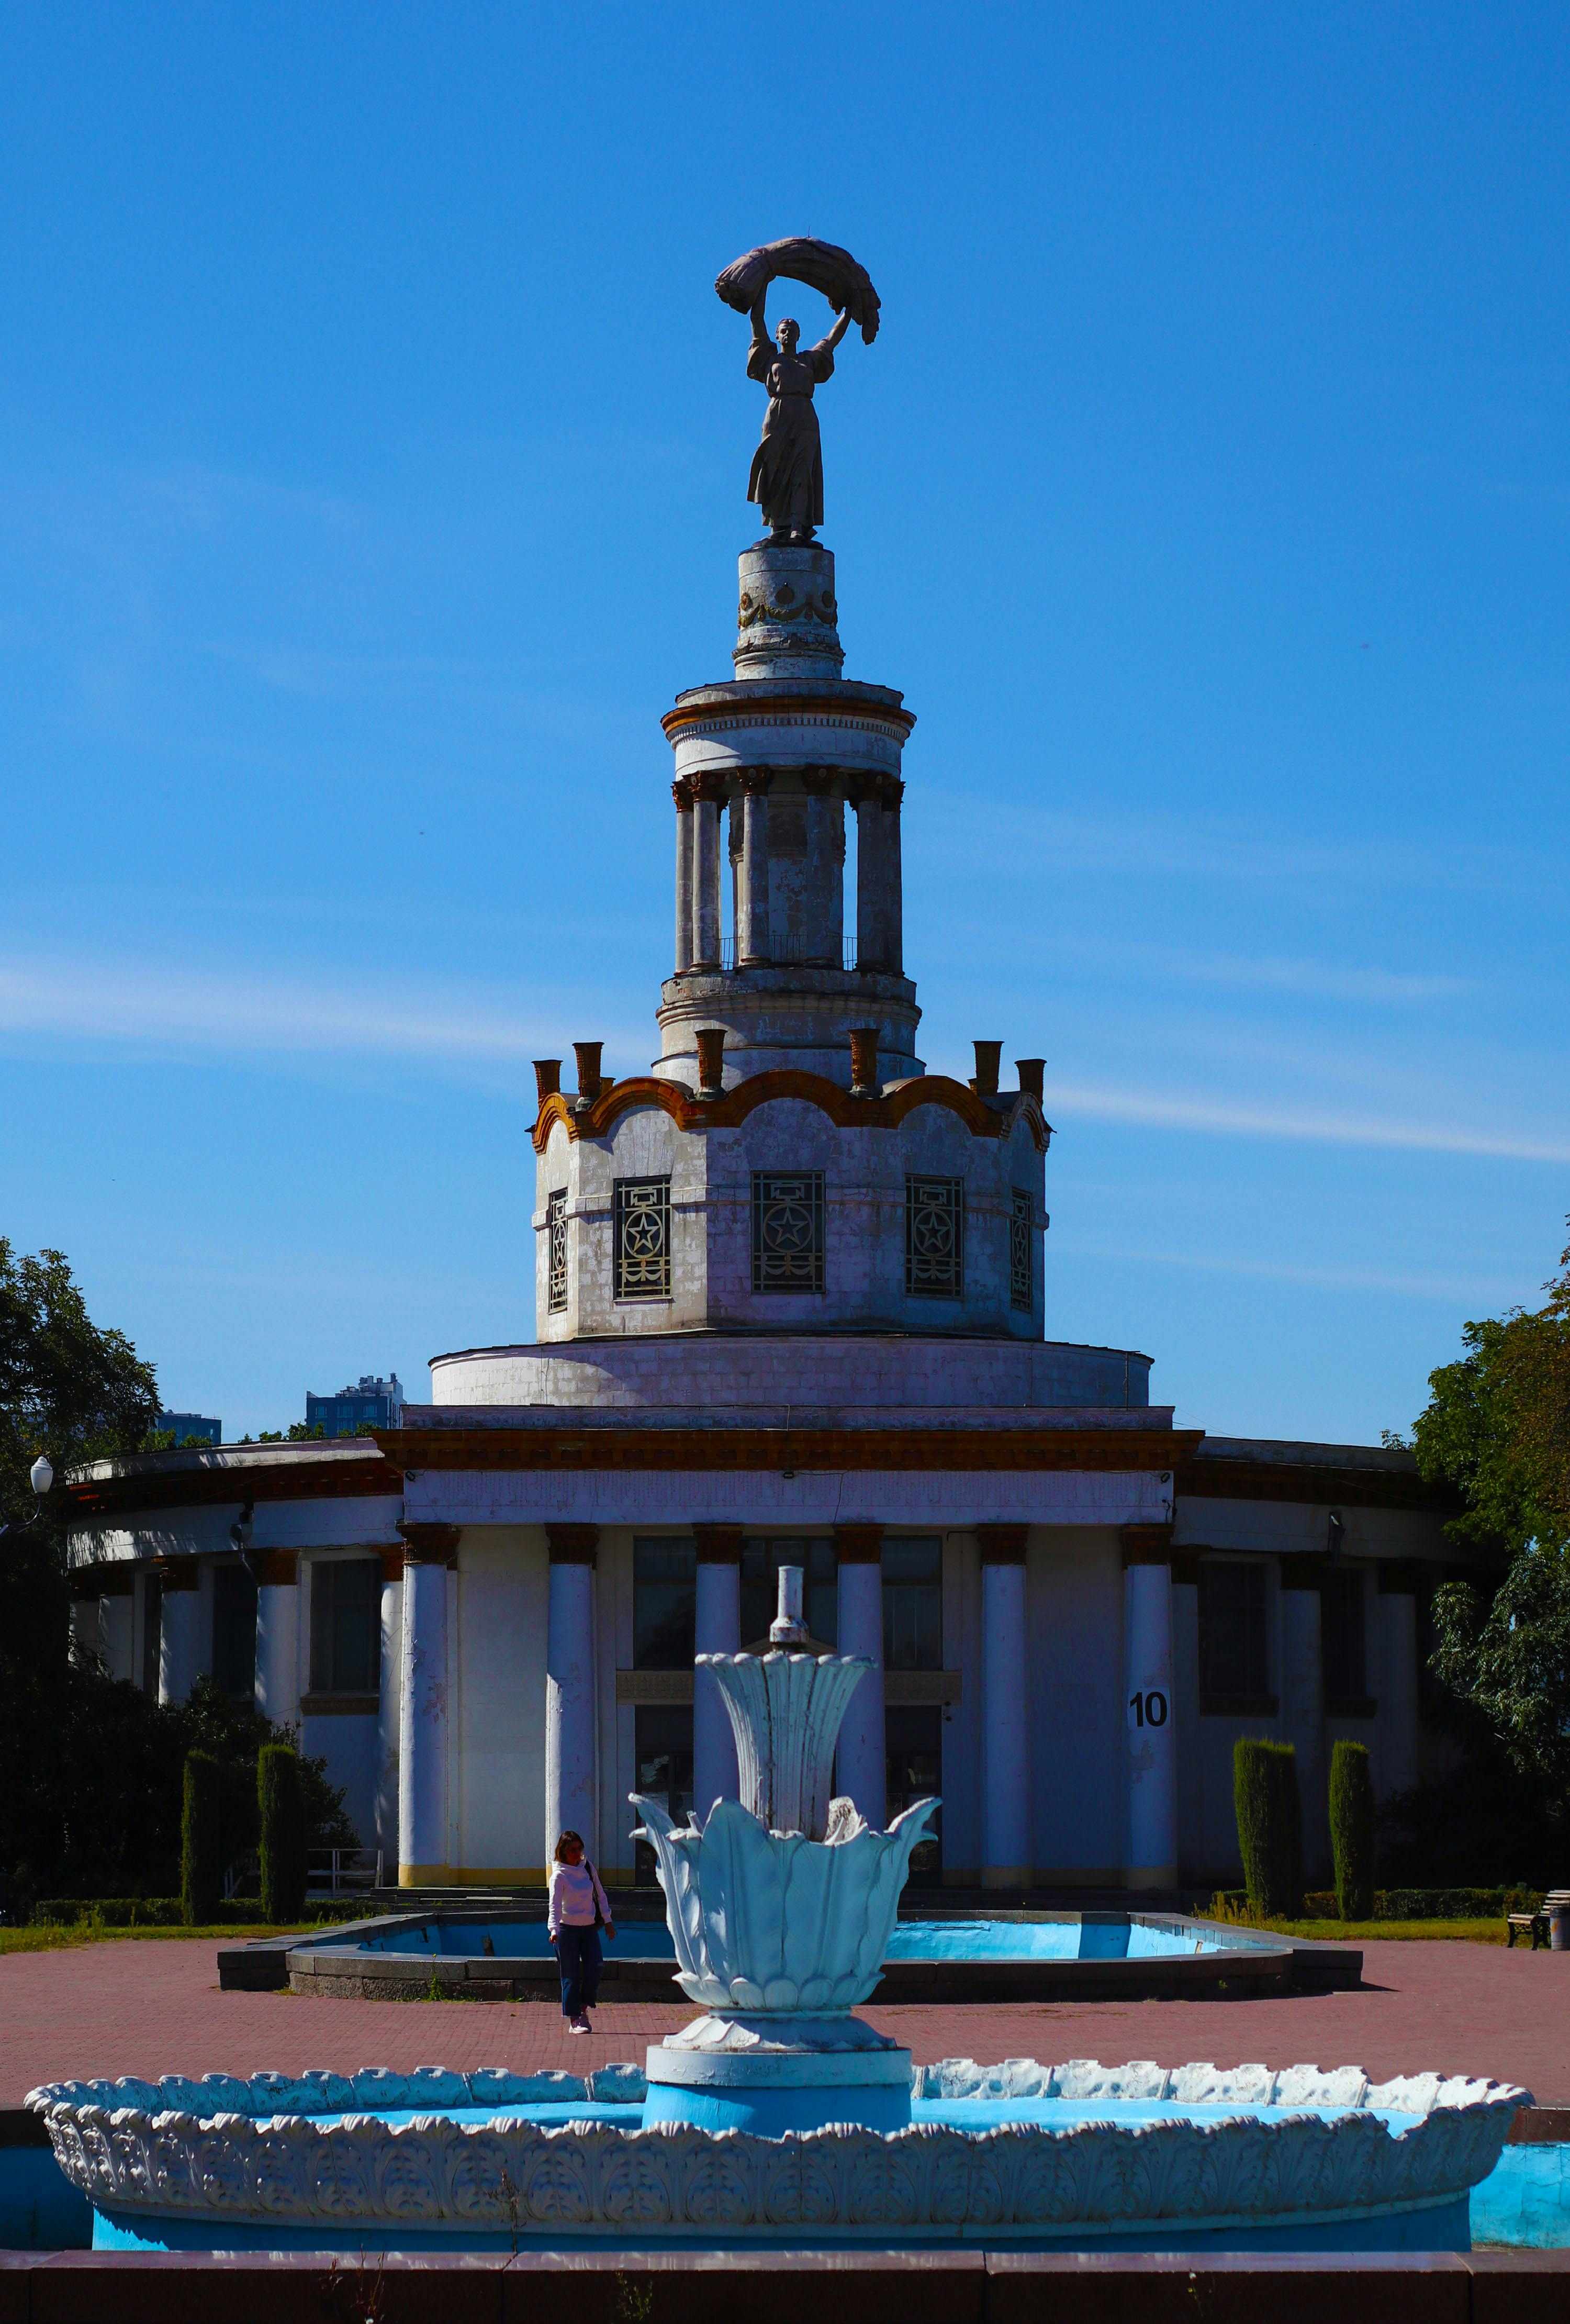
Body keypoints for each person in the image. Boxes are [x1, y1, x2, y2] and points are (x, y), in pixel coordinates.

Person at [746, 298, 851, 542]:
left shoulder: (808, 360)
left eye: (792, 331)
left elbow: (832, 339)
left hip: (805, 415)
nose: (788, 334)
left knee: (802, 471)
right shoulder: (770, 358)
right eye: (783, 331)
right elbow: (756, 319)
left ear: (799, 336)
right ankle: (776, 527)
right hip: (777, 414)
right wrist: (763, 282)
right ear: (777, 335)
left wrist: (850, 310)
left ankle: (796, 525)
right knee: (774, 469)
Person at [547, 1828, 614, 2034]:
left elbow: (600, 1894)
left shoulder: (588, 1868)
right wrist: (554, 1929)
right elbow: (555, 1906)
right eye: (572, 1850)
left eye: (579, 1849)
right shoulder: (559, 1876)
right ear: (563, 1852)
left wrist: (608, 1920)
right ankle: (575, 2020)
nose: (577, 1854)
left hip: (588, 1929)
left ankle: (583, 2008)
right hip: (566, 1930)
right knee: (571, 1974)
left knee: (596, 1967)